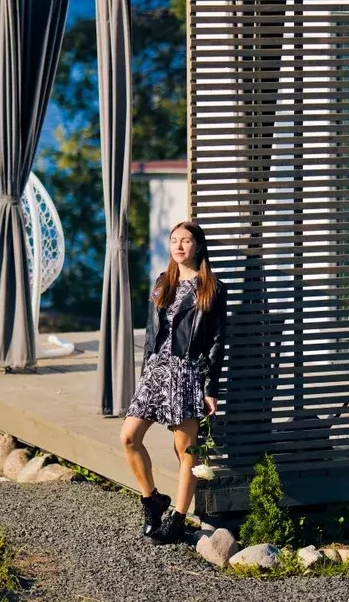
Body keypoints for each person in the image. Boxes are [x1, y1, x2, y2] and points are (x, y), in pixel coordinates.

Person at [119, 220, 228, 545]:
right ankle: (152, 500)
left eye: (186, 240)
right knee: (128, 437)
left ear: (198, 246)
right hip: (155, 370)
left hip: (187, 372)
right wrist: (144, 375)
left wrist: (210, 388)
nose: (179, 246)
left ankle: (178, 518)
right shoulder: (162, 282)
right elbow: (153, 335)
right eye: (174, 240)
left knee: (185, 450)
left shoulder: (212, 288)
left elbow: (218, 341)